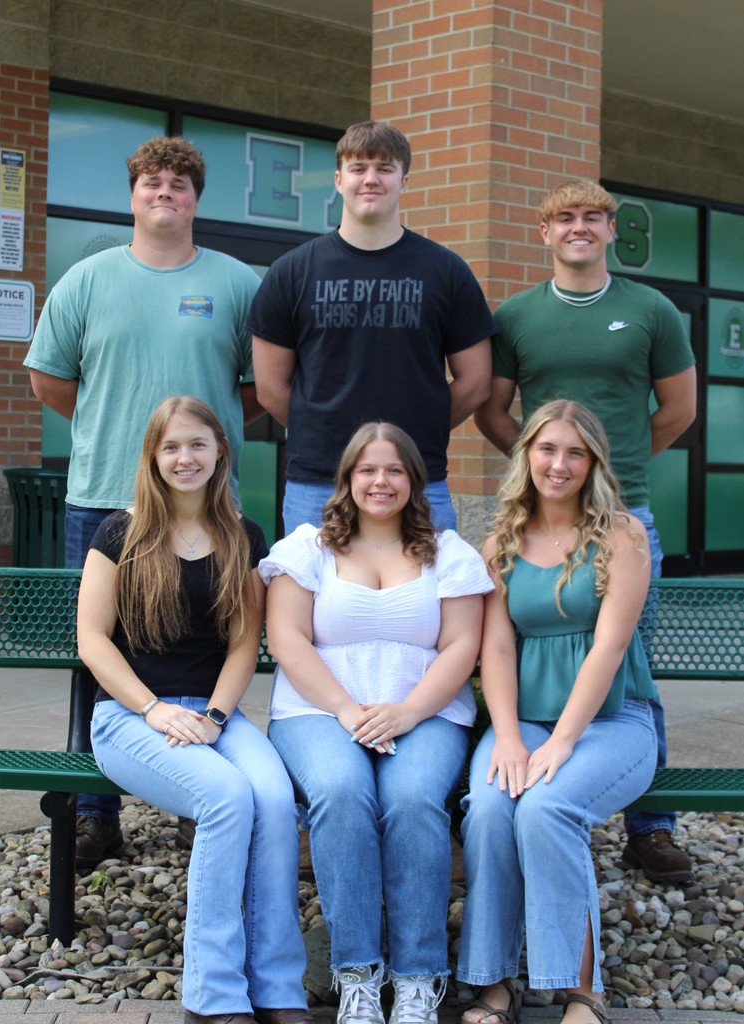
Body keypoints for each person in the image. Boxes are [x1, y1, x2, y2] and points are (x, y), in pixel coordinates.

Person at [24, 136, 262, 865]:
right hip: (104, 501)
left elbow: (253, 393)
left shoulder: (235, 282)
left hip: (206, 510)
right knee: (97, 654)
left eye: (181, 184)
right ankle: (96, 814)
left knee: (210, 641)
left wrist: (193, 451)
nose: (166, 193)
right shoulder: (85, 281)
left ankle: (199, 796)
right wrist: (123, 438)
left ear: (196, 198)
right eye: (153, 182)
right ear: (133, 195)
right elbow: (51, 382)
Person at [473, 179, 696, 884]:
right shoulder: (515, 317)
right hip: (540, 521)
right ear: (543, 233)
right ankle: (521, 768)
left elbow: (679, 408)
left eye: (591, 218)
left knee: (632, 666)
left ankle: (649, 827)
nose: (577, 227)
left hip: (627, 516)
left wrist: (602, 470)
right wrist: (548, 474)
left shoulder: (649, 309)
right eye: (563, 218)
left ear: (610, 230)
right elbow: (493, 410)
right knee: (522, 640)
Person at [76, 396, 311, 1024]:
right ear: (153, 456)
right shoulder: (118, 533)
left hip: (212, 714)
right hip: (129, 718)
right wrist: (152, 709)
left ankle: (278, 987)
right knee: (227, 799)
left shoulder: (243, 535)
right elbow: (92, 640)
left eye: (197, 445)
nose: (185, 458)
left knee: (272, 794)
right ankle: (212, 996)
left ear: (220, 453)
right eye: (172, 447)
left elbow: (243, 644)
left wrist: (212, 716)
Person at [259, 422, 491, 1024]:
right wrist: (344, 707)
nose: (380, 481)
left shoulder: (449, 553)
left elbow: (463, 645)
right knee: (341, 791)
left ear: (415, 481)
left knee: (413, 799)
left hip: (426, 712)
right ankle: (357, 974)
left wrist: (409, 710)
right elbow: (286, 638)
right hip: (317, 710)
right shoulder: (308, 549)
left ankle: (418, 978)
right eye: (367, 469)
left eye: (394, 469)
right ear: (347, 479)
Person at [457, 400, 658, 1024]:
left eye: (574, 452)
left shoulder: (621, 536)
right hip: (525, 724)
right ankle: (495, 983)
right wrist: (510, 736)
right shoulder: (500, 542)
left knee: (547, 808)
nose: (559, 464)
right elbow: (493, 646)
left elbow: (611, 645)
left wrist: (563, 740)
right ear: (527, 456)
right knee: (490, 808)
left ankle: (582, 990)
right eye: (547, 449)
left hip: (610, 723)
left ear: (593, 460)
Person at [247, 120, 497, 534]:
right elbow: (272, 388)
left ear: (404, 181)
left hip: (417, 479)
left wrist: (421, 427)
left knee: (426, 596)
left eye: (384, 168)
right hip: (317, 482)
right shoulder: (292, 272)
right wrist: (320, 428)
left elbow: (476, 381)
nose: (371, 179)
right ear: (338, 179)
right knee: (310, 598)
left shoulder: (446, 271)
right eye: (359, 167)